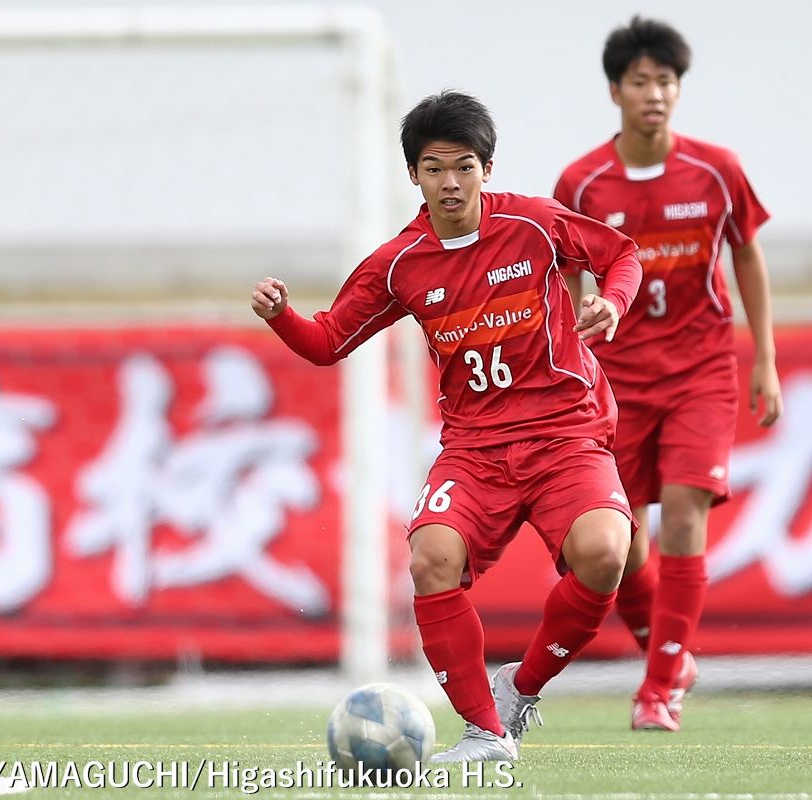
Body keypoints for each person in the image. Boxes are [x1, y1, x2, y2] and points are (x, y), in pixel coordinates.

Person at [252, 91, 643, 761]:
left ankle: (521, 690)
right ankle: (485, 732)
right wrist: (283, 315)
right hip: (475, 448)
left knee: (606, 553)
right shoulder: (400, 263)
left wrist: (611, 301)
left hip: (565, 434)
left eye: (464, 166)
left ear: (486, 168)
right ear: (414, 176)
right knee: (431, 558)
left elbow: (621, 253)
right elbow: (327, 341)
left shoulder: (534, 224)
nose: (451, 182)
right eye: (435, 168)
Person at [554, 16, 784, 732]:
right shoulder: (582, 181)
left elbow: (746, 254)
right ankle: (668, 652)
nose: (655, 93)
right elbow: (563, 273)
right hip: (613, 381)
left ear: (679, 91)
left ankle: (658, 691)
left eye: (667, 81)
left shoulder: (717, 170)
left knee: (686, 514)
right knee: (620, 546)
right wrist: (574, 336)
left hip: (701, 369)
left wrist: (766, 360)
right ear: (615, 91)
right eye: (641, 81)